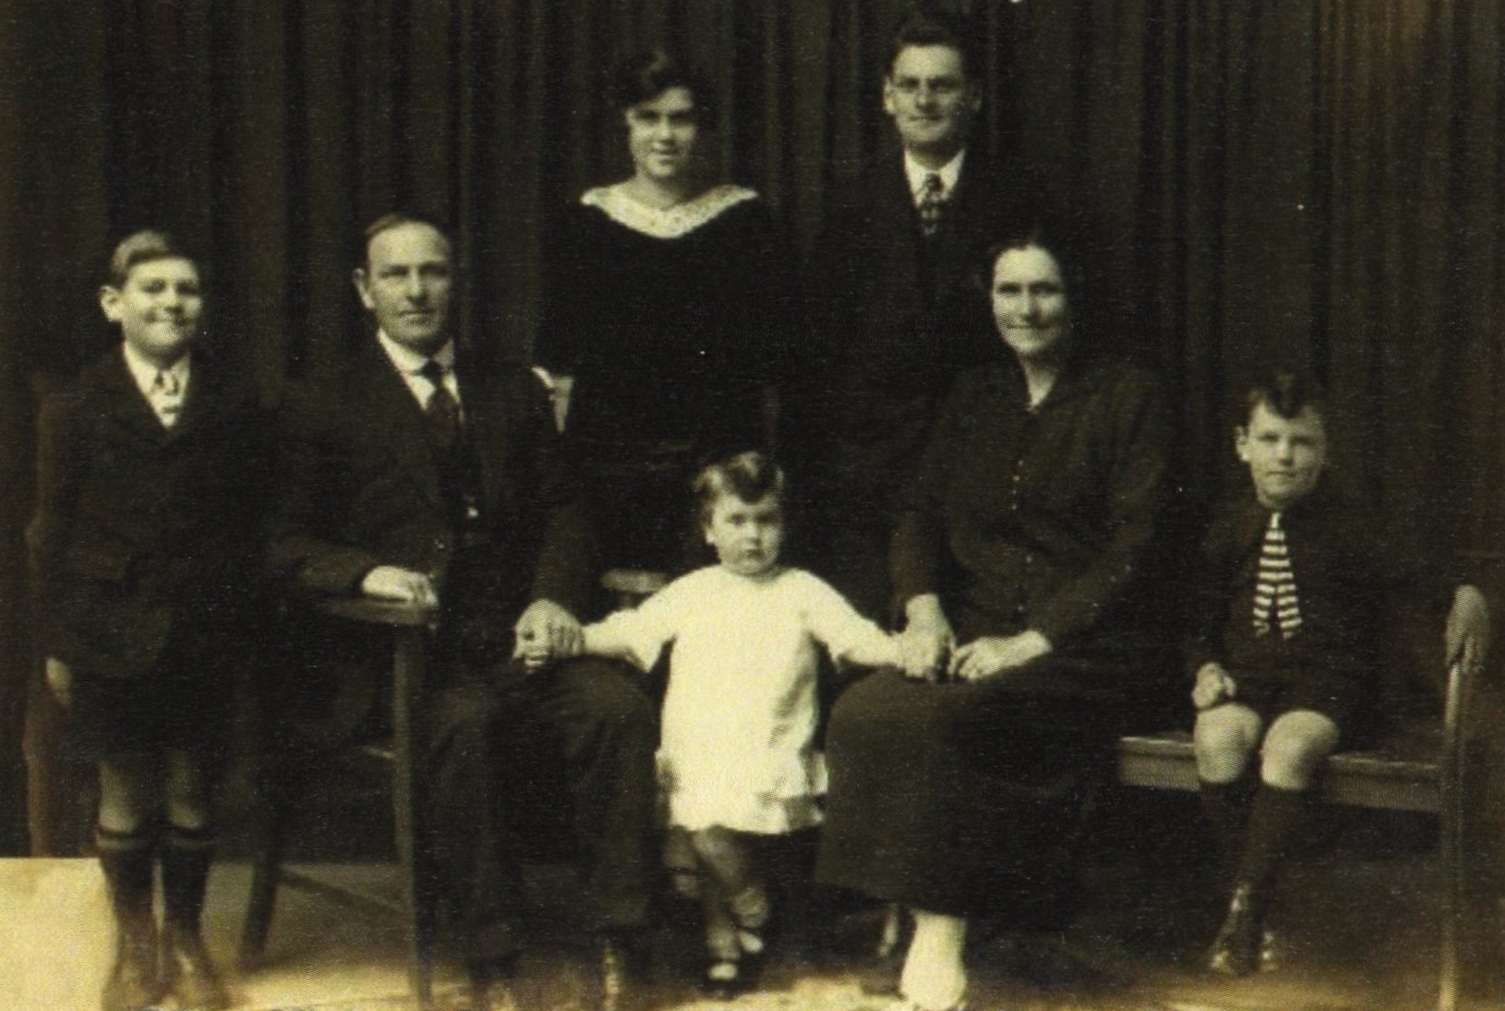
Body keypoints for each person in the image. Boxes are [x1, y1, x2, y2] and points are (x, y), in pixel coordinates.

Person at [264, 213, 658, 1011]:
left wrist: (551, 595)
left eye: (433, 272)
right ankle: (493, 957)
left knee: (614, 707)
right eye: (397, 275)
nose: (417, 291)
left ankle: (619, 936)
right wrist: (366, 570)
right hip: (400, 658)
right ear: (363, 290)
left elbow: (565, 509)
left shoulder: (507, 385)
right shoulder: (322, 401)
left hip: (514, 639)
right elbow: (280, 539)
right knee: (465, 725)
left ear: (455, 280)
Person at [815, 220, 1176, 1011]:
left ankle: (939, 935)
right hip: (975, 628)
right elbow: (915, 510)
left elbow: (1134, 547)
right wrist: (922, 610)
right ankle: (913, 913)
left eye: (1043, 289)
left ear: (1072, 296)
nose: (1025, 308)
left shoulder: (1125, 395)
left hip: (1090, 641)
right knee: (865, 709)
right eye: (1009, 291)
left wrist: (1032, 641)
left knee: (958, 720)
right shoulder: (973, 396)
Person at [553, 451, 900, 996]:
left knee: (715, 837)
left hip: (766, 745)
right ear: (709, 530)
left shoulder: (802, 589)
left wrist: (901, 652)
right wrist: (572, 638)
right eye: (736, 521)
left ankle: (727, 946)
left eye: (766, 520)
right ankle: (752, 912)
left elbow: (855, 636)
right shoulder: (695, 590)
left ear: (784, 525)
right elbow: (632, 630)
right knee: (706, 831)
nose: (753, 536)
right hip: (698, 746)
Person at [27, 230, 267, 1011]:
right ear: (113, 304)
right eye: (153, 289)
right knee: (125, 786)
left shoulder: (232, 400)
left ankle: (187, 937)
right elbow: (50, 534)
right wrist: (60, 642)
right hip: (105, 628)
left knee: (195, 785)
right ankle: (135, 944)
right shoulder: (76, 405)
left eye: (186, 290)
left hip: (204, 629)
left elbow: (248, 523)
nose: (171, 302)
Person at [1188, 370, 1491, 977]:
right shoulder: (1225, 530)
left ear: (1324, 452)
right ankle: (1255, 901)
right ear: (1242, 444)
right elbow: (1195, 620)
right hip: (1248, 680)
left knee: (1292, 746)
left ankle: (1246, 916)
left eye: (1301, 443)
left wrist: (1470, 592)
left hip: (1329, 684)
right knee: (1217, 738)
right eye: (1270, 439)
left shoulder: (1354, 527)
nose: (1284, 456)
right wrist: (1204, 668)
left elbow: (1426, 576)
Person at [801, 7, 1039, 618]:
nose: (925, 100)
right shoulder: (848, 207)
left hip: (984, 478)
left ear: (975, 97)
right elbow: (819, 360)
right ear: (887, 96)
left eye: (943, 85)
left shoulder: (1020, 203)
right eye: (910, 85)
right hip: (868, 491)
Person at [535, 49, 794, 580]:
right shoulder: (585, 224)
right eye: (648, 117)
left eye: (681, 118)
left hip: (717, 473)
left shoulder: (746, 222)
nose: (665, 135)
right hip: (605, 471)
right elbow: (560, 372)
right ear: (625, 121)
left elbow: (773, 374)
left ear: (702, 126)